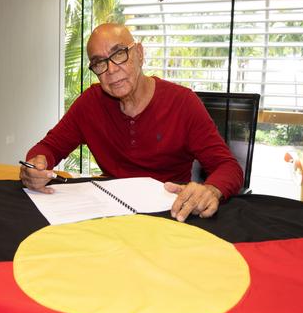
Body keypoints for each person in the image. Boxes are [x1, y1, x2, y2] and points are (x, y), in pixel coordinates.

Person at [20, 23, 243, 222]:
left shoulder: (183, 102)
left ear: (139, 53)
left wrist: (211, 190)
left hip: (170, 216)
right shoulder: (90, 104)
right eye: (99, 63)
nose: (111, 70)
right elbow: (48, 147)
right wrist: (35, 166)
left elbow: (229, 167)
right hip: (111, 216)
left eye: (119, 54)